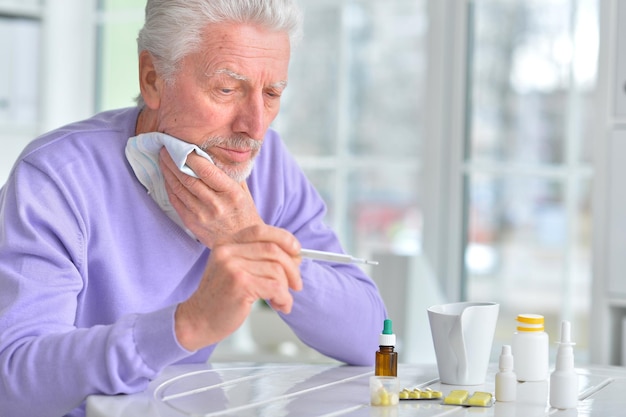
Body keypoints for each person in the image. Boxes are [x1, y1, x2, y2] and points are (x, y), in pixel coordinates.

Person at [0, 0, 387, 416]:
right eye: (226, 89)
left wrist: (246, 239)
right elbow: (13, 382)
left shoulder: (267, 165)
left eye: (272, 93)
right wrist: (186, 326)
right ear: (152, 79)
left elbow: (372, 338)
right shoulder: (57, 177)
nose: (255, 127)